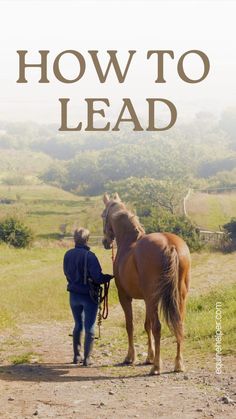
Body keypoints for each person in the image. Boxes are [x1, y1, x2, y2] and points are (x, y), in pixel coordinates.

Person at [63, 227, 113, 366]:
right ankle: (87, 359)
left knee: (78, 324)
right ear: (87, 239)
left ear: (74, 239)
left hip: (73, 295)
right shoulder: (90, 256)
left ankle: (76, 356)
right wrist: (108, 277)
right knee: (89, 326)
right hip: (88, 296)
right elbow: (97, 278)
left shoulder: (68, 254)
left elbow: (66, 273)